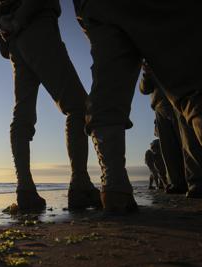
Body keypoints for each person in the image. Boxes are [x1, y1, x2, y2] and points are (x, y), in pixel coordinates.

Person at [72, 0, 202, 212]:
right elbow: (145, 88)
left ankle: (114, 185)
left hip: (95, 7)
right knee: (192, 84)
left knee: (107, 90)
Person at [0, 0, 101, 211]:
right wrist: (14, 21)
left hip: (16, 44)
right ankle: (80, 185)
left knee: (22, 115)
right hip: (37, 29)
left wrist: (2, 26)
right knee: (78, 107)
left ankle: (25, 189)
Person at [141, 64, 202, 198]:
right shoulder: (149, 61)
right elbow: (144, 89)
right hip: (159, 107)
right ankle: (177, 183)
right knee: (168, 150)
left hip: (180, 99)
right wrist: (146, 74)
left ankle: (196, 181)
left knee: (188, 142)